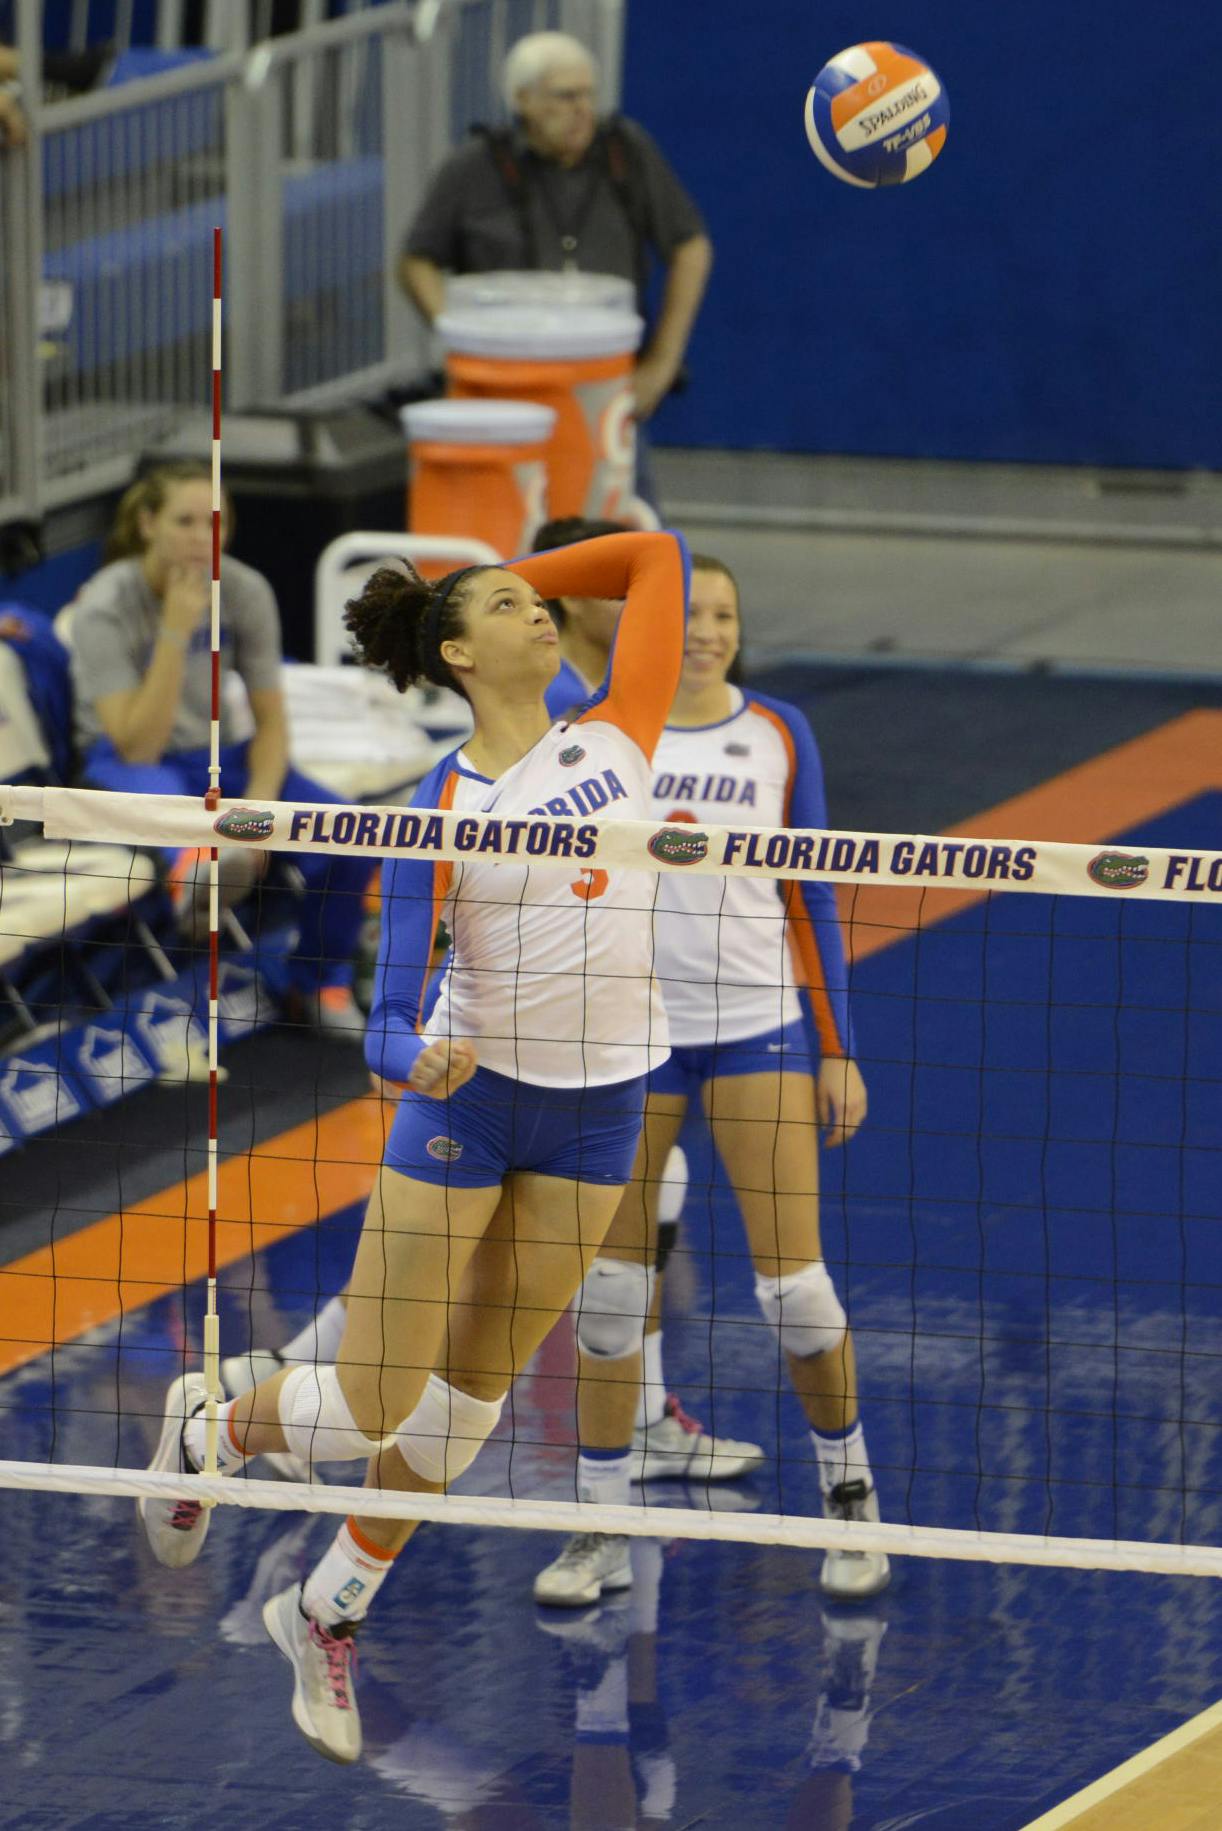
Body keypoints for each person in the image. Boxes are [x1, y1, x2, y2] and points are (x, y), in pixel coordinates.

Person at [137, 529, 690, 1766]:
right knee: (375, 1395)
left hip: (602, 1110)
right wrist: (408, 1060)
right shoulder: (447, 805)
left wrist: (509, 558)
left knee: (463, 1416)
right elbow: (387, 1015)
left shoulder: (618, 733)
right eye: (508, 605)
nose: (542, 610)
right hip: (474, 1106)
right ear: (457, 652)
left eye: (539, 597)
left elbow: (656, 557)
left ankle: (323, 1609)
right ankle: (214, 1428)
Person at [533, 554, 888, 1608]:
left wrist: (840, 1043)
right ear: (651, 627)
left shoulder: (777, 730)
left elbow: (809, 885)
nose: (707, 632)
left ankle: (852, 1503)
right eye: (689, 615)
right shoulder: (603, 728)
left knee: (794, 1286)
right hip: (629, 1037)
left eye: (725, 615)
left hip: (757, 1028)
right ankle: (596, 1524)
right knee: (608, 1287)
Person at [70, 463, 367, 1029]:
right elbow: (137, 745)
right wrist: (176, 631)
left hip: (220, 755)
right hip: (129, 763)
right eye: (185, 522)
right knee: (164, 797)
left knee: (347, 835)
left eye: (215, 523)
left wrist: (258, 808)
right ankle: (199, 873)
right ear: (147, 523)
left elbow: (272, 721)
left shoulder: (246, 589)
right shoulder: (103, 606)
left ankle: (320, 985)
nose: (201, 539)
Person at [399, 31, 712, 430]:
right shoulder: (474, 166)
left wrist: (662, 363)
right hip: (504, 388)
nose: (583, 110)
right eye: (566, 97)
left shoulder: (625, 152)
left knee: (621, 491)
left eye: (589, 95)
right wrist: (459, 334)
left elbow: (691, 247)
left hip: (606, 387)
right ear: (522, 100)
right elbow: (416, 261)